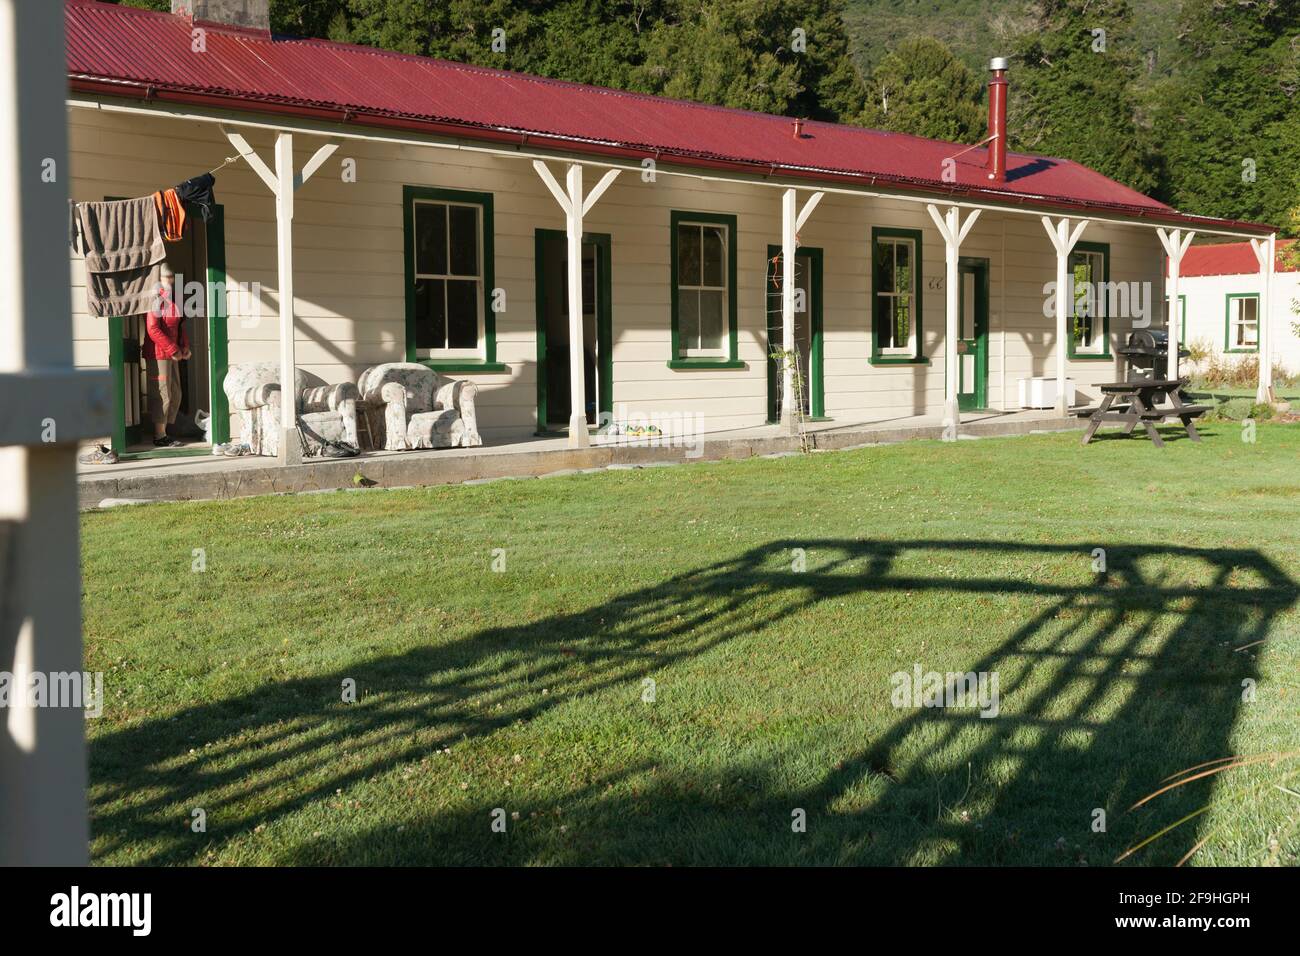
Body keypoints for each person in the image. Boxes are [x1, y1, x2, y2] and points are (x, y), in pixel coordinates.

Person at [143, 261, 189, 447]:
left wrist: (184, 345)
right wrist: (173, 349)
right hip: (157, 353)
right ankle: (159, 436)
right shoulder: (155, 299)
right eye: (165, 277)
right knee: (163, 394)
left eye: (171, 277)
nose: (169, 280)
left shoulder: (174, 299)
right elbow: (153, 329)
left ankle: (167, 430)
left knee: (176, 393)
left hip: (172, 353)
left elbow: (180, 325)